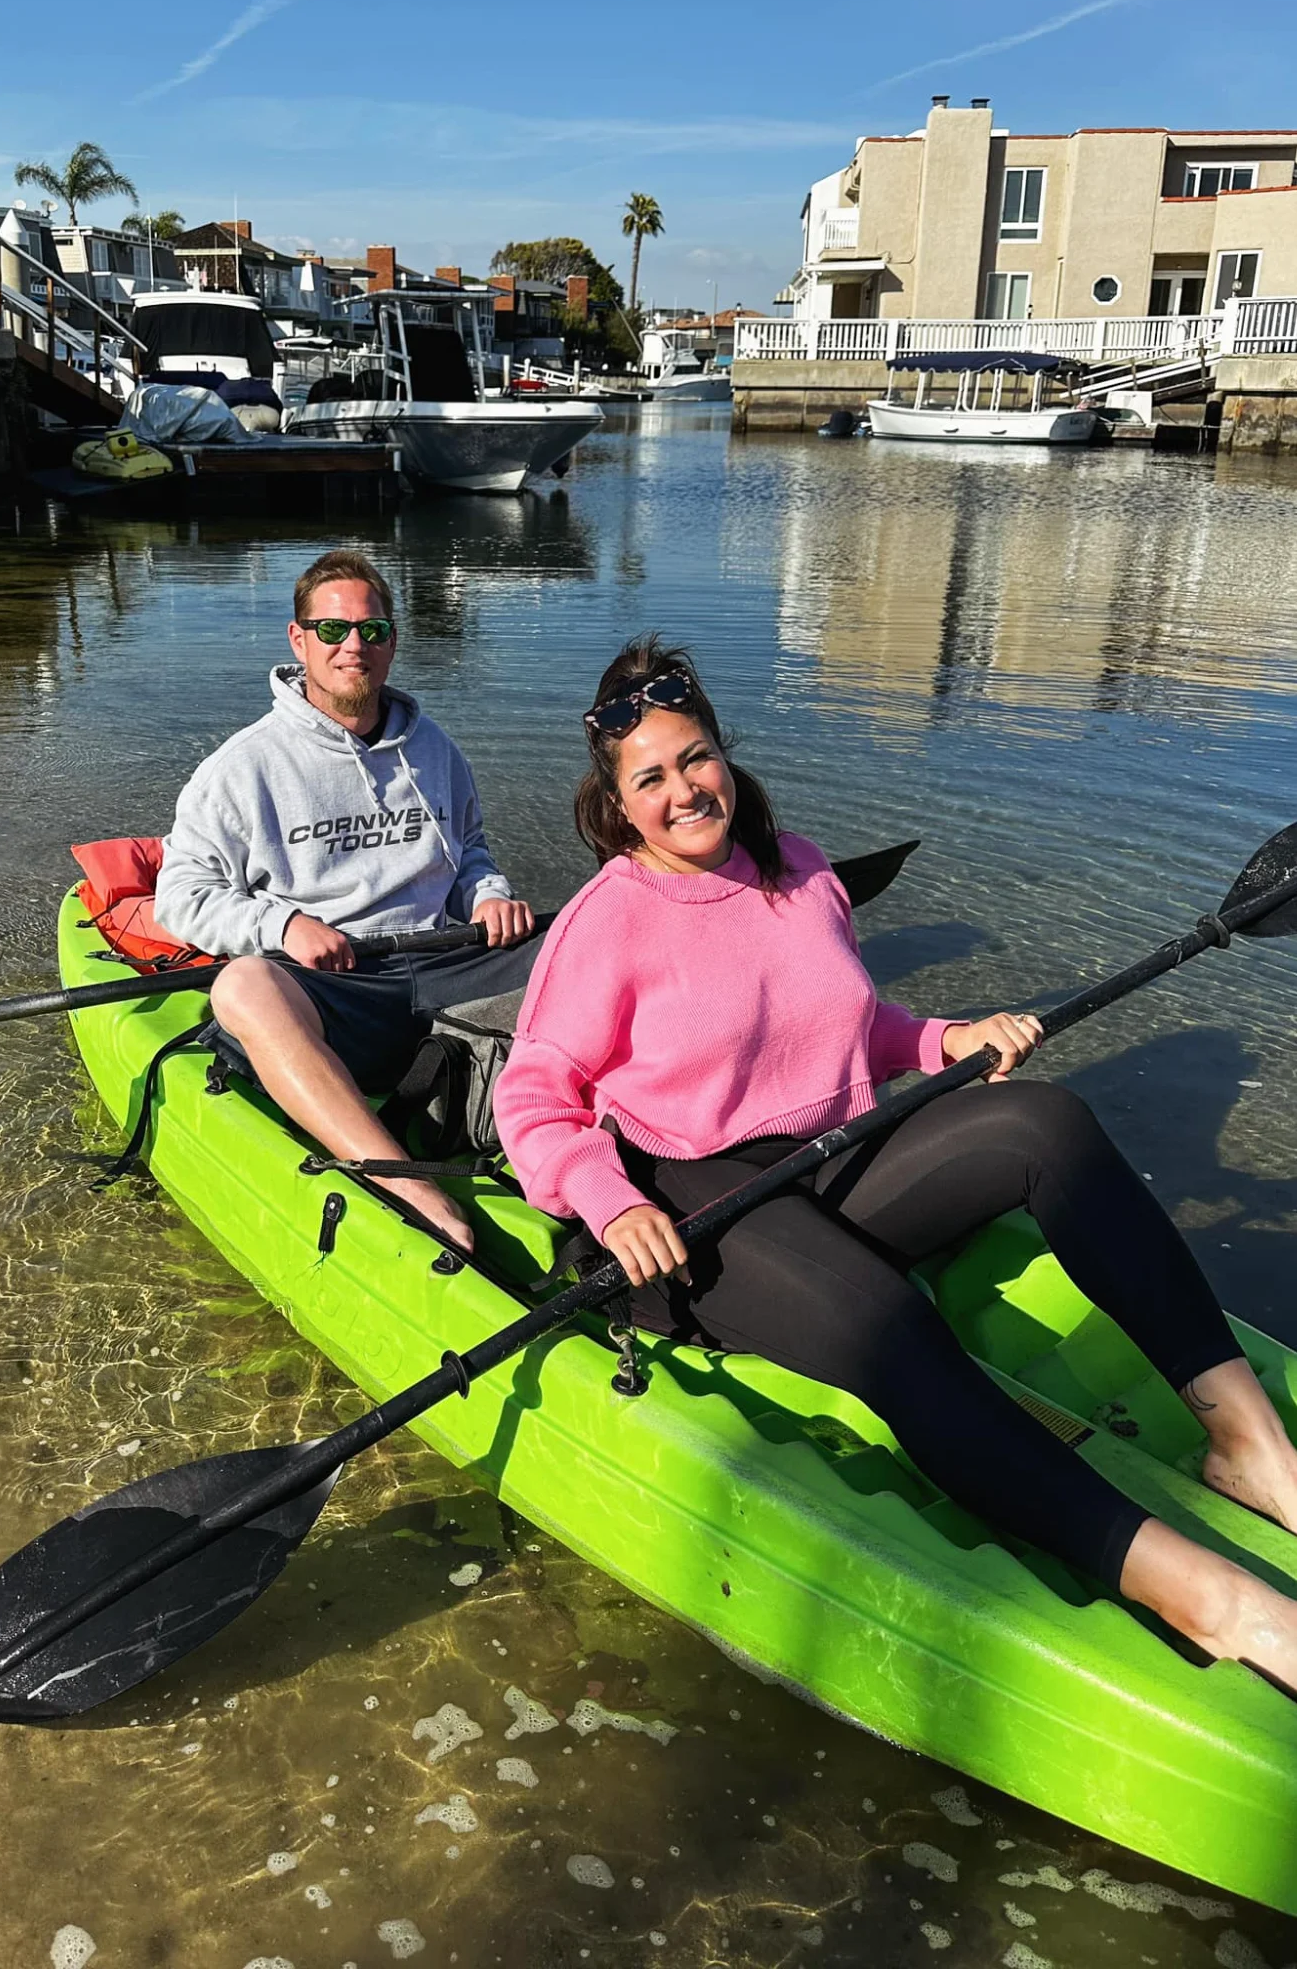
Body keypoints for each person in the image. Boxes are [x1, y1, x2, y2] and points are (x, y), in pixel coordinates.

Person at [494, 634, 1297, 1691]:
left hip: (829, 1158)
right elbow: (533, 1092)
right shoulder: (608, 919)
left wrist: (945, 1039)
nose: (683, 790)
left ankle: (1253, 1452)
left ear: (724, 754)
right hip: (691, 1200)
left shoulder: (799, 868)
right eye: (651, 778)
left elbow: (849, 1020)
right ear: (617, 804)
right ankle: (1207, 1595)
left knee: (1049, 1122)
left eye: (695, 758)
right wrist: (606, 1201)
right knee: (893, 1324)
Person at [154, 549, 538, 1252]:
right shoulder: (240, 767)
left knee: (585, 937)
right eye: (332, 630)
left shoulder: (437, 750)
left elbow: (471, 852)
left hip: (443, 965)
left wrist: (489, 895)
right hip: (335, 989)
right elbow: (179, 898)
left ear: (393, 640)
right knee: (242, 985)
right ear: (298, 640)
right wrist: (284, 924)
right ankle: (401, 1182)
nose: (353, 645)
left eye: (372, 629)